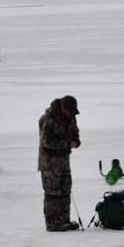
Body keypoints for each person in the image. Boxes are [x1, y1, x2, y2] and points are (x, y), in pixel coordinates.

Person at [38, 95, 81, 231]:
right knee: (53, 194)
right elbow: (46, 142)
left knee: (65, 190)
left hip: (64, 162)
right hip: (49, 164)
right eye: (69, 111)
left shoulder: (71, 117)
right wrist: (67, 144)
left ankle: (64, 221)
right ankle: (53, 224)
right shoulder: (48, 119)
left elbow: (75, 132)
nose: (71, 115)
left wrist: (76, 141)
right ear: (63, 108)